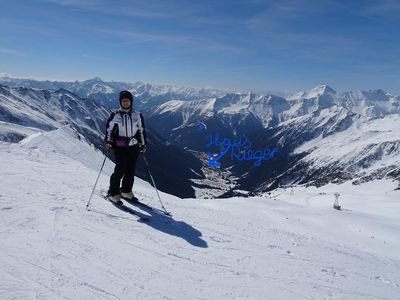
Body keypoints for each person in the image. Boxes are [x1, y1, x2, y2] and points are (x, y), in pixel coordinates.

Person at [104, 90, 147, 203]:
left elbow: (141, 130)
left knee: (130, 170)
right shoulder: (116, 114)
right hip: (120, 145)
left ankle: (126, 191)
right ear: (120, 102)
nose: (126, 103)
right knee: (120, 169)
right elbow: (109, 129)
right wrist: (108, 141)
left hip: (133, 145)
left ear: (131, 102)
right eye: (123, 101)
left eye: (127, 101)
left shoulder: (137, 115)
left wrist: (143, 144)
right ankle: (113, 193)